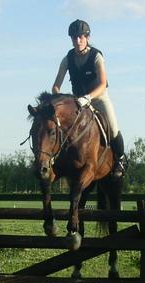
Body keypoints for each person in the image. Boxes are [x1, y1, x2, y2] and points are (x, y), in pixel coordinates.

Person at [52, 19, 128, 177]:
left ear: (87, 37)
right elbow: (56, 86)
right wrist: (59, 101)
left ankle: (120, 160)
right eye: (74, 37)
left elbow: (102, 84)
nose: (77, 41)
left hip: (98, 98)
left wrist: (88, 97)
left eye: (80, 37)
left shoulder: (96, 56)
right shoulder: (67, 59)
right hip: (78, 102)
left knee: (113, 128)